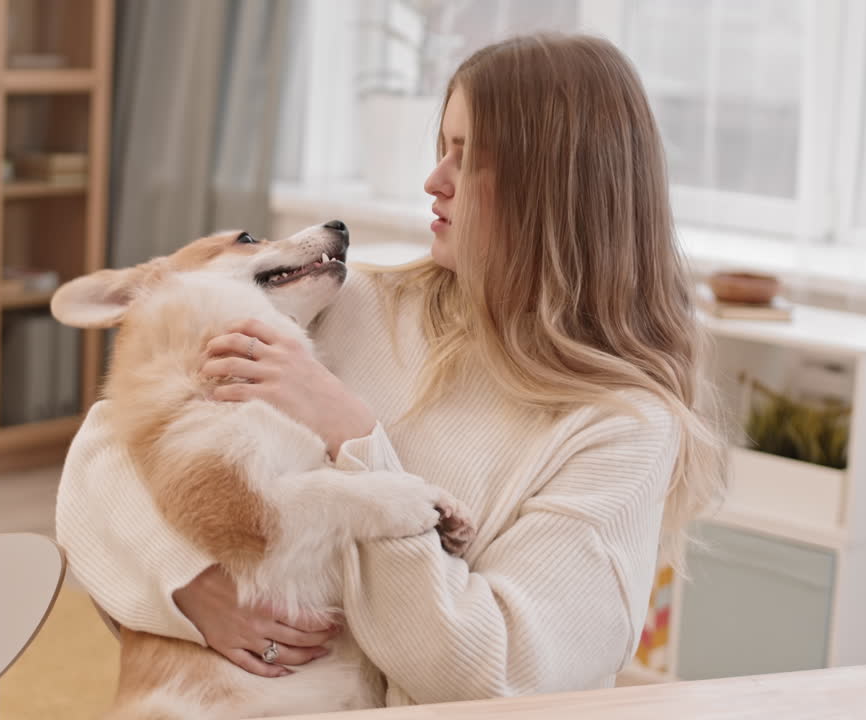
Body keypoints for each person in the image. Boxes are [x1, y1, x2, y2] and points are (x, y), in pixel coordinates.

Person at [57, 32, 726, 706]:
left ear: (557, 189)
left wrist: (354, 436)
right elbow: (109, 450)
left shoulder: (622, 429)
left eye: (470, 159)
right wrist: (192, 585)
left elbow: (486, 671)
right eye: (442, 149)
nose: (433, 181)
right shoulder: (347, 302)